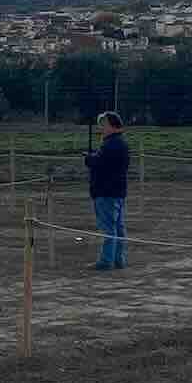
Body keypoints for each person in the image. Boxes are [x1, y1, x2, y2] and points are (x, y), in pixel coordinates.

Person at [85, 111, 130, 270]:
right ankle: (118, 259)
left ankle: (106, 261)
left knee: (109, 228)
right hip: (117, 192)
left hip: (106, 192)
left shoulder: (110, 144)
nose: (101, 128)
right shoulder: (121, 143)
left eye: (103, 125)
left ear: (111, 126)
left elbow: (100, 163)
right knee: (117, 228)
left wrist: (89, 159)